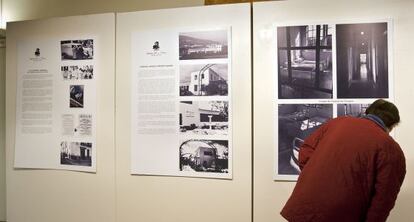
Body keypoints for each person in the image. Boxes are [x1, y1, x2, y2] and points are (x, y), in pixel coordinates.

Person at [281, 99, 406, 222]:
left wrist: (316, 174)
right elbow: (383, 199)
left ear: (368, 112)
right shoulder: (391, 149)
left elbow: (305, 151)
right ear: (393, 125)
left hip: (304, 206)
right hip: (341, 214)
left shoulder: (337, 123)